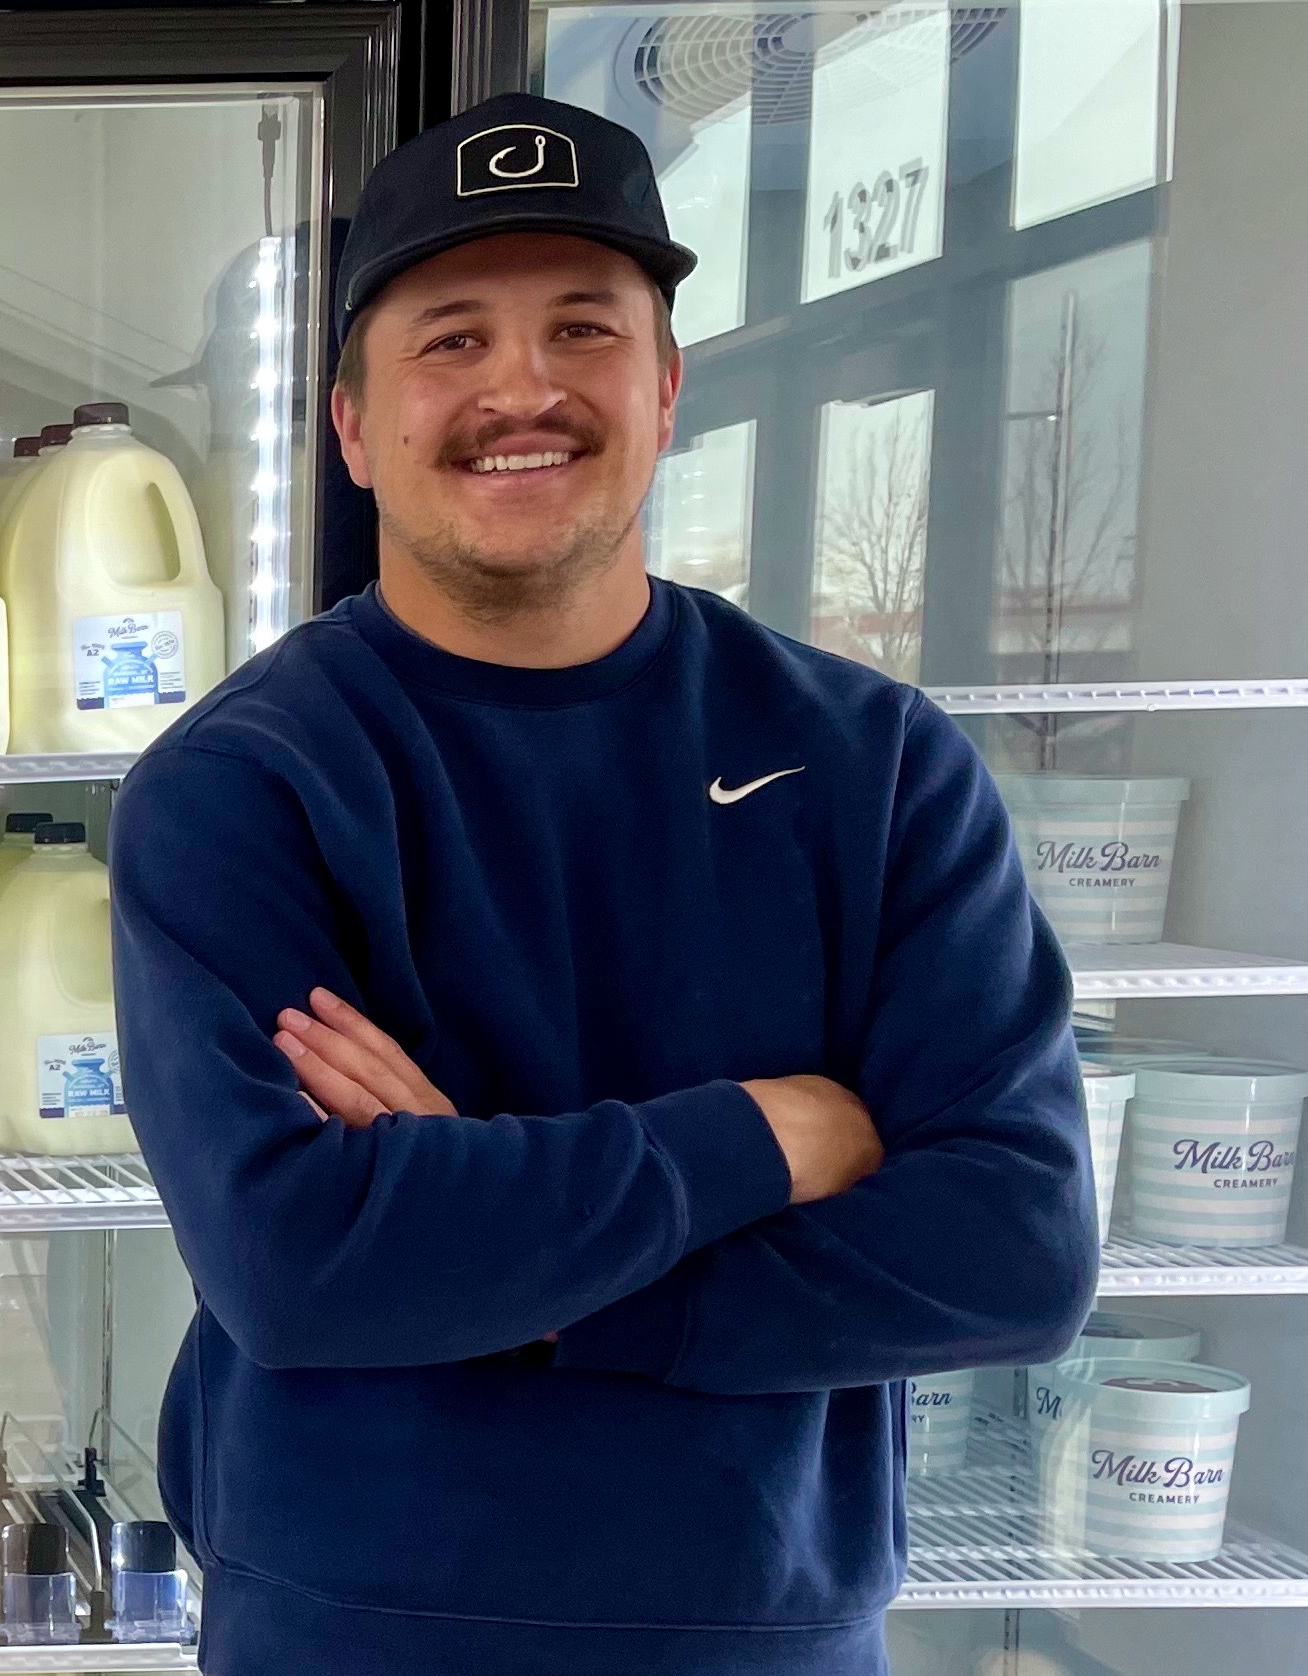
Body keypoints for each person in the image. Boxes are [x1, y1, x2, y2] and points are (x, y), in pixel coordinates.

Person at [109, 92, 1096, 1675]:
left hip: (759, 1623)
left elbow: (1010, 1251)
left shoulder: (872, 767)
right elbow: (297, 1263)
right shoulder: (251, 785)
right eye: (451, 339)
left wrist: (526, 1271)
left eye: (583, 327)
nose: (523, 387)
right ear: (353, 423)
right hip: (352, 1624)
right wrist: (765, 1136)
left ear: (666, 387)